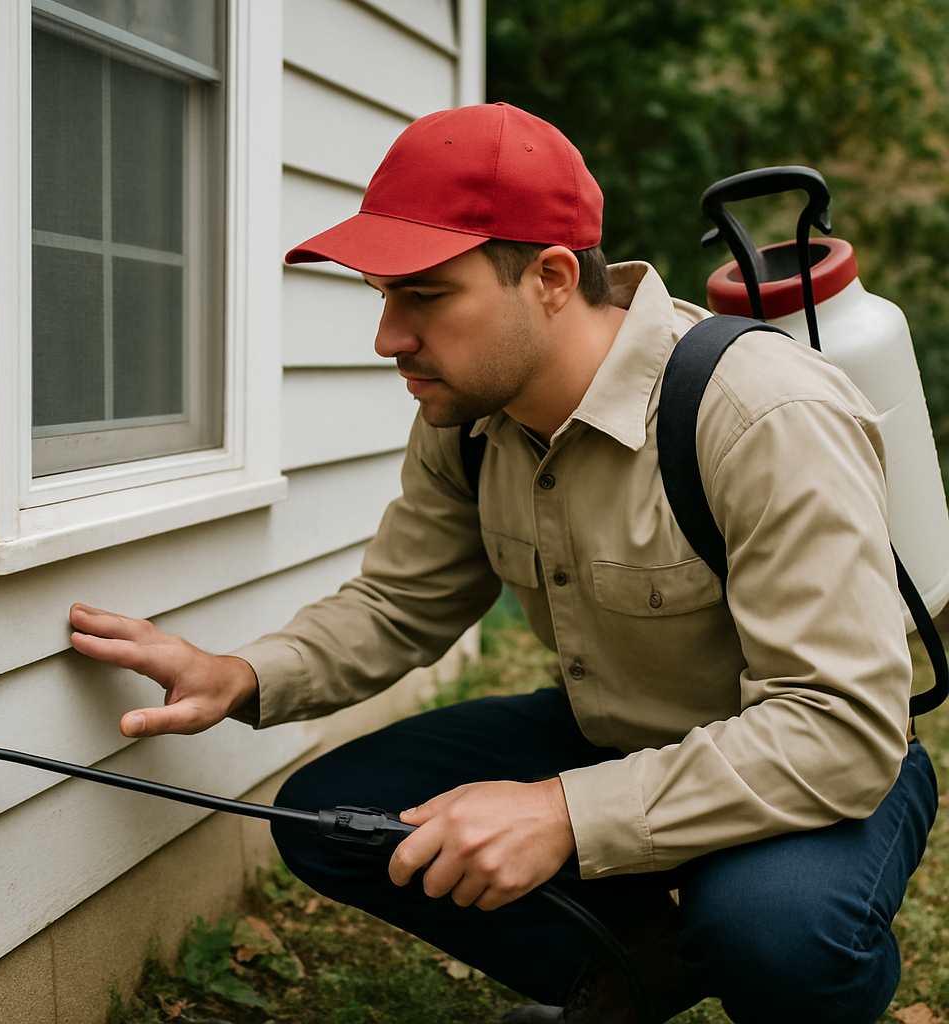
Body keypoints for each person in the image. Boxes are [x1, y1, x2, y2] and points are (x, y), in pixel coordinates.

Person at [70, 103, 938, 1024]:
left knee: (774, 929)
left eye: (426, 295)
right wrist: (240, 675)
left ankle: (798, 976)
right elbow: (400, 604)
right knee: (335, 818)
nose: (388, 338)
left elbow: (837, 726)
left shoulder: (760, 414)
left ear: (553, 277)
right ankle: (637, 966)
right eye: (382, 297)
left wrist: (563, 815)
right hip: (616, 735)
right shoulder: (471, 419)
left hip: (808, 760)